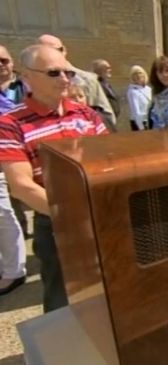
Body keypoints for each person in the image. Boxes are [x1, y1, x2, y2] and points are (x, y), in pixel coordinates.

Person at [0, 45, 109, 311]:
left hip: (101, 216)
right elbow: (22, 186)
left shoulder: (87, 114)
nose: (64, 78)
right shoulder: (10, 124)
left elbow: (110, 163)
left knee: (107, 295)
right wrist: (72, 215)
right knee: (63, 303)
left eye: (68, 72)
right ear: (27, 77)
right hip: (56, 223)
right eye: (53, 72)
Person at [37, 35, 116, 129]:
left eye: (56, 50)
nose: (52, 56)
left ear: (64, 50)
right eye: (46, 52)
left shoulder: (87, 80)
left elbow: (107, 117)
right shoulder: (31, 82)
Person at [0, 44, 28, 297]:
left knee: (4, 214)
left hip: (22, 159)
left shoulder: (25, 89)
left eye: (3, 60)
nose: (0, 65)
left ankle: (14, 270)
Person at [126, 65, 152, 131]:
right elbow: (136, 111)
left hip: (150, 120)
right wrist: (141, 127)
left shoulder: (148, 89)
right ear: (132, 77)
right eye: (135, 74)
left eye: (140, 73)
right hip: (140, 123)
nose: (138, 75)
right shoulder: (132, 91)